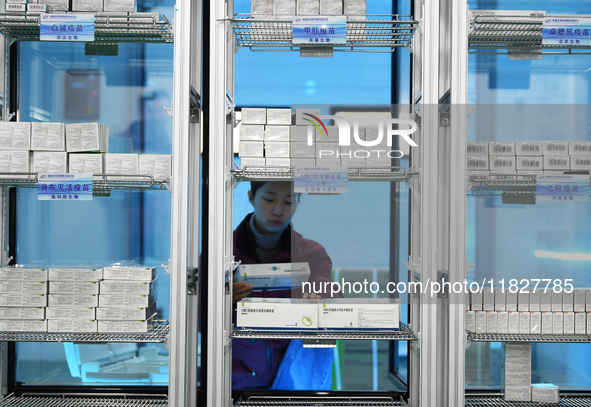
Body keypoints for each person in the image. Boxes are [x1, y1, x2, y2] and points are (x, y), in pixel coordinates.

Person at [232, 181, 342, 390]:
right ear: (250, 197)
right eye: (269, 199)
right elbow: (198, 320)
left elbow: (328, 292)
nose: (279, 210)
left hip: (298, 382)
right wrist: (222, 299)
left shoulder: (311, 253)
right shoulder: (222, 253)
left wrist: (318, 297)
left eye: (289, 201)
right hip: (236, 383)